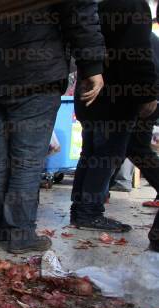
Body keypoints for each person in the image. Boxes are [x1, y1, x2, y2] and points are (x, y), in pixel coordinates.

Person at [0, 2, 105, 253]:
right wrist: (92, 63)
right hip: (37, 72)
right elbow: (79, 11)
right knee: (26, 161)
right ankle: (20, 233)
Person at [70, 0, 157, 232]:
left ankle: (80, 209)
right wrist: (148, 93)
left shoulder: (95, 7)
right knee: (107, 153)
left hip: (90, 93)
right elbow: (137, 52)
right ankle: (89, 212)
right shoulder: (133, 6)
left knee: (91, 152)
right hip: (116, 96)